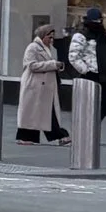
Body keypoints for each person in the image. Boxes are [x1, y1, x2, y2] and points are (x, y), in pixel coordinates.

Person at [15, 16, 65, 144]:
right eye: (50, 37)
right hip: (34, 85)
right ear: (43, 36)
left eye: (53, 37)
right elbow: (31, 65)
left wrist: (58, 66)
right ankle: (57, 136)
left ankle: (56, 136)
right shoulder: (33, 47)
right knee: (33, 112)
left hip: (46, 86)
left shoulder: (51, 49)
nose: (52, 40)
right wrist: (53, 64)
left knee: (43, 112)